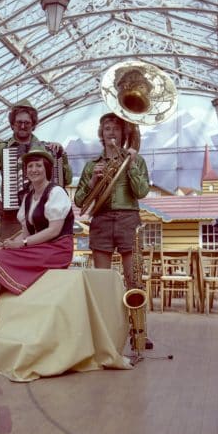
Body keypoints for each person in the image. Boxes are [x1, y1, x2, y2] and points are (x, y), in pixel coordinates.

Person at [0, 148, 74, 333]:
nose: (34, 169)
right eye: (30, 166)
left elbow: (53, 230)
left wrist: (22, 244)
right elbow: (25, 231)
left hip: (57, 248)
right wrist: (8, 242)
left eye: (38, 165)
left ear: (47, 168)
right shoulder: (29, 198)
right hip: (40, 245)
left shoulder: (56, 192)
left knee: (0, 259)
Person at [74, 112, 153, 348]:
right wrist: (92, 183)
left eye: (116, 128)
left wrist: (130, 166)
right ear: (101, 133)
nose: (111, 132)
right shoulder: (92, 165)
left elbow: (141, 192)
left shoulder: (136, 160)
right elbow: (79, 201)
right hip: (102, 219)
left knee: (134, 279)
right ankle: (106, 331)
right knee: (103, 280)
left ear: (123, 133)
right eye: (107, 128)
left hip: (128, 217)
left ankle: (139, 332)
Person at [0, 99, 73, 240]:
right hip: (12, 218)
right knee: (11, 256)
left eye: (27, 123)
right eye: (19, 122)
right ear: (12, 124)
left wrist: (62, 156)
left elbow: (65, 181)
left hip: (43, 216)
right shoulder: (1, 148)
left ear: (34, 125)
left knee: (40, 259)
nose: (23, 126)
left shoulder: (48, 149)